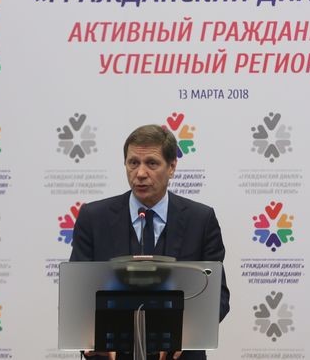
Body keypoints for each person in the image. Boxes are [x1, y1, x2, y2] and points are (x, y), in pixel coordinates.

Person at [70, 124, 230, 360]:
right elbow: (77, 294)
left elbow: (218, 298)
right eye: (133, 163)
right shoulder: (93, 218)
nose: (140, 173)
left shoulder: (201, 220)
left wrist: (185, 335)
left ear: (172, 167)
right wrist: (90, 337)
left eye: (152, 163)